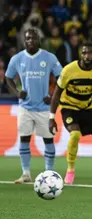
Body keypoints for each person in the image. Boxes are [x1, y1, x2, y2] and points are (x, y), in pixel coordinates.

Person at [49, 42, 92, 186]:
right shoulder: (69, 70)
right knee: (75, 135)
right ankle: (70, 171)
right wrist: (51, 117)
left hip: (87, 107)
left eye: (90, 53)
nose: (87, 56)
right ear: (80, 54)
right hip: (69, 106)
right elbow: (56, 94)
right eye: (84, 53)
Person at [5, 28, 63, 184]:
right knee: (24, 138)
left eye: (33, 38)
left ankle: (49, 172)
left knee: (48, 140)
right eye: (27, 38)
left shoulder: (49, 58)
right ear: (24, 41)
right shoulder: (17, 59)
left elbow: (61, 77)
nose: (30, 41)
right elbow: (8, 78)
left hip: (44, 108)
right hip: (25, 107)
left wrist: (52, 94)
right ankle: (25, 173)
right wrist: (17, 93)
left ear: (39, 40)